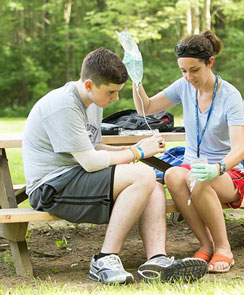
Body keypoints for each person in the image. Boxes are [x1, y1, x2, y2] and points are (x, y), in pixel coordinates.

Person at [22, 48, 207, 284]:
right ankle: (104, 259)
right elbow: (90, 163)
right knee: (143, 175)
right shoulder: (64, 106)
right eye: (111, 92)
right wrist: (137, 153)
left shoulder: (92, 102)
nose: (116, 98)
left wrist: (130, 149)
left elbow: (94, 147)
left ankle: (156, 260)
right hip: (51, 188)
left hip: (74, 177)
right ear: (89, 85)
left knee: (152, 183)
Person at [129, 30, 244, 273]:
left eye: (194, 70)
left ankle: (224, 248)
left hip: (228, 171)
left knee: (199, 180)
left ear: (210, 62)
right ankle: (205, 244)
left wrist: (217, 168)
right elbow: (146, 108)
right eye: (183, 71)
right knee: (173, 175)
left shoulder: (230, 95)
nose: (188, 77)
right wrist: (136, 79)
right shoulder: (184, 86)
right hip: (193, 167)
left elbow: (240, 149)